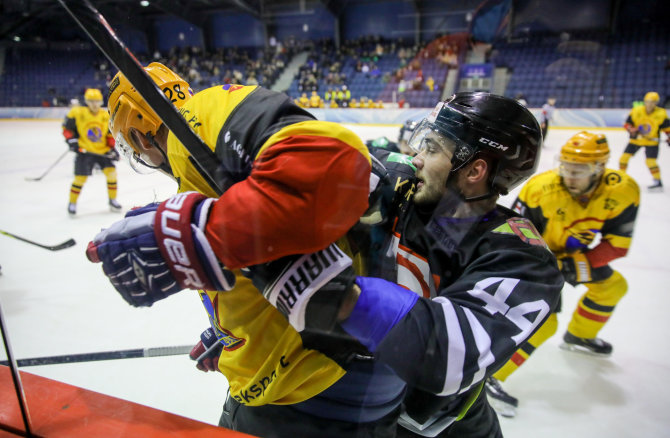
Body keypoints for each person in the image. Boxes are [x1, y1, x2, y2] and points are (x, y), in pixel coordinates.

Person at [241, 93, 563, 437]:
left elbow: (450, 352)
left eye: (433, 148)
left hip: (442, 427)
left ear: (474, 170)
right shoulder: (399, 183)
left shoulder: (521, 258)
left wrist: (335, 294)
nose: (417, 157)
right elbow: (299, 164)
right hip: (355, 404)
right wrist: (251, 328)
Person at [89, 62, 376, 435]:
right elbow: (271, 235)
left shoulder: (194, 122)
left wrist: (203, 236)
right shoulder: (191, 155)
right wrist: (231, 333)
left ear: (141, 138)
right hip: (321, 379)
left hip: (305, 395)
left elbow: (335, 169)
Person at [486, 131, 640, 418]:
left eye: (579, 170)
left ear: (600, 169)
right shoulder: (541, 189)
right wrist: (545, 269)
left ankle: (580, 336)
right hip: (534, 260)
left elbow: (617, 245)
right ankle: (489, 376)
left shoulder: (623, 191)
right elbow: (513, 236)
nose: (570, 175)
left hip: (573, 259)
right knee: (544, 323)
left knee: (613, 287)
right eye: (566, 167)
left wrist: (574, 266)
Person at [62, 87, 121, 215]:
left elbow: (109, 134)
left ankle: (113, 200)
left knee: (112, 174)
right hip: (85, 151)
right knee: (80, 179)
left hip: (102, 151)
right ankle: (72, 203)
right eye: (91, 101)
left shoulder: (105, 115)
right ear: (86, 102)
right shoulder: (77, 113)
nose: (95, 104)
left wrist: (112, 148)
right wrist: (71, 141)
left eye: (97, 102)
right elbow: (67, 129)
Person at [618, 91, 670, 190]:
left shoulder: (661, 114)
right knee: (623, 159)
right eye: (648, 101)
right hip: (636, 140)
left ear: (656, 103)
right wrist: (631, 129)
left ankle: (658, 181)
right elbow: (627, 124)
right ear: (644, 101)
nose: (650, 104)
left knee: (651, 162)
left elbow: (667, 128)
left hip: (652, 142)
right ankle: (621, 178)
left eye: (653, 102)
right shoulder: (636, 110)